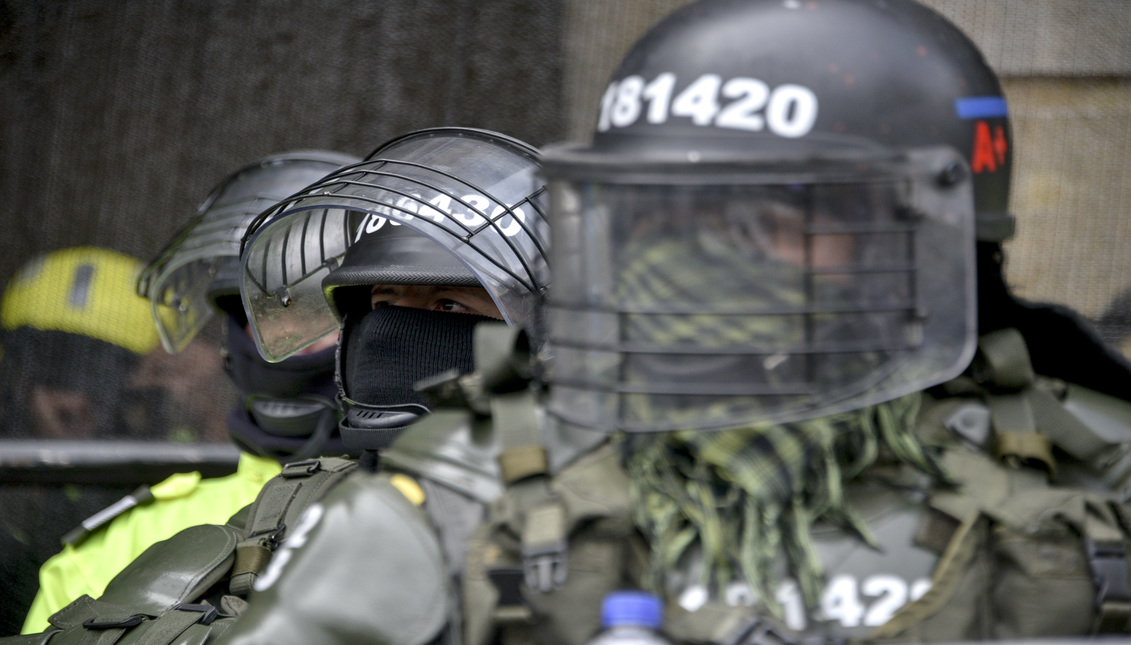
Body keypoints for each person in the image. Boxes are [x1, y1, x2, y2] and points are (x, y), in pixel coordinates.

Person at [457, 0, 1131, 643]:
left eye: (763, 221)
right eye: (660, 216)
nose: (696, 259)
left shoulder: (1100, 481)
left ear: (921, 241)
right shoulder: (467, 483)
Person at [4, 127, 550, 645]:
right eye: (383, 304)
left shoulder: (600, 516)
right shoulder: (276, 516)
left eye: (448, 306)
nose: (395, 335)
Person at [18, 150, 361, 635]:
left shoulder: (470, 505)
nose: (288, 340)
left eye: (322, 312)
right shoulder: (116, 546)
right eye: (265, 311)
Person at [0, 246, 163, 636]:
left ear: (135, 392)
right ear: (16, 382)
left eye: (101, 376)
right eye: (52, 371)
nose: (74, 402)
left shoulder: (177, 473)